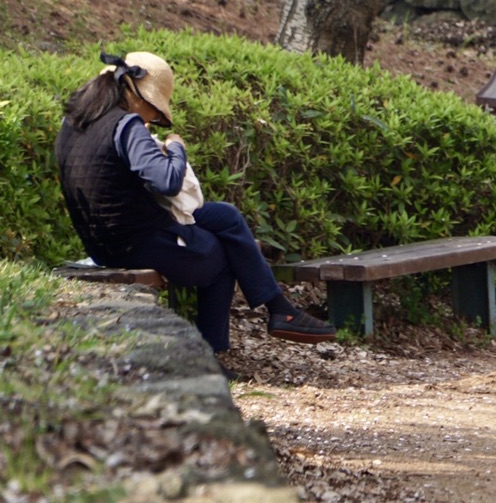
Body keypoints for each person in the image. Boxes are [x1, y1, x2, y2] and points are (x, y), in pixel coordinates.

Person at [54, 51, 333, 357]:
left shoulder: (72, 125)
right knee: (222, 255)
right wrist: (175, 148)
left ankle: (280, 308)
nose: (154, 119)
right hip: (136, 242)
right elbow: (168, 181)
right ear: (132, 93)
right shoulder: (126, 125)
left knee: (225, 216)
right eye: (155, 112)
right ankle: (214, 354)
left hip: (102, 242)